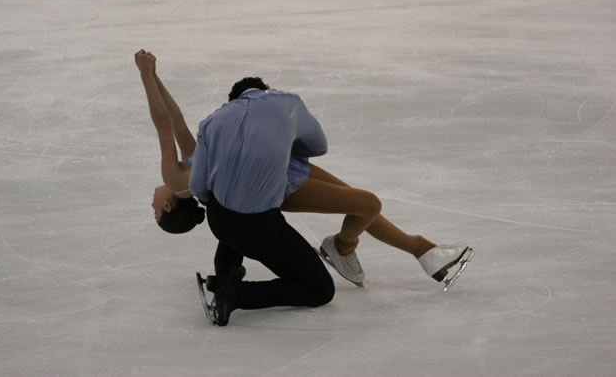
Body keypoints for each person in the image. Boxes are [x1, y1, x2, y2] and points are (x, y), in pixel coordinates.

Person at [133, 51, 472, 314]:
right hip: (269, 188)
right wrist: (145, 74)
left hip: (278, 171)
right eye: (155, 210)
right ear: (169, 205)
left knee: (357, 200)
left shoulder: (189, 163)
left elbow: (175, 119)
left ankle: (418, 249)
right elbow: (163, 124)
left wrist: (155, 74)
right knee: (366, 203)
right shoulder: (177, 179)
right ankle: (349, 247)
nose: (151, 202)